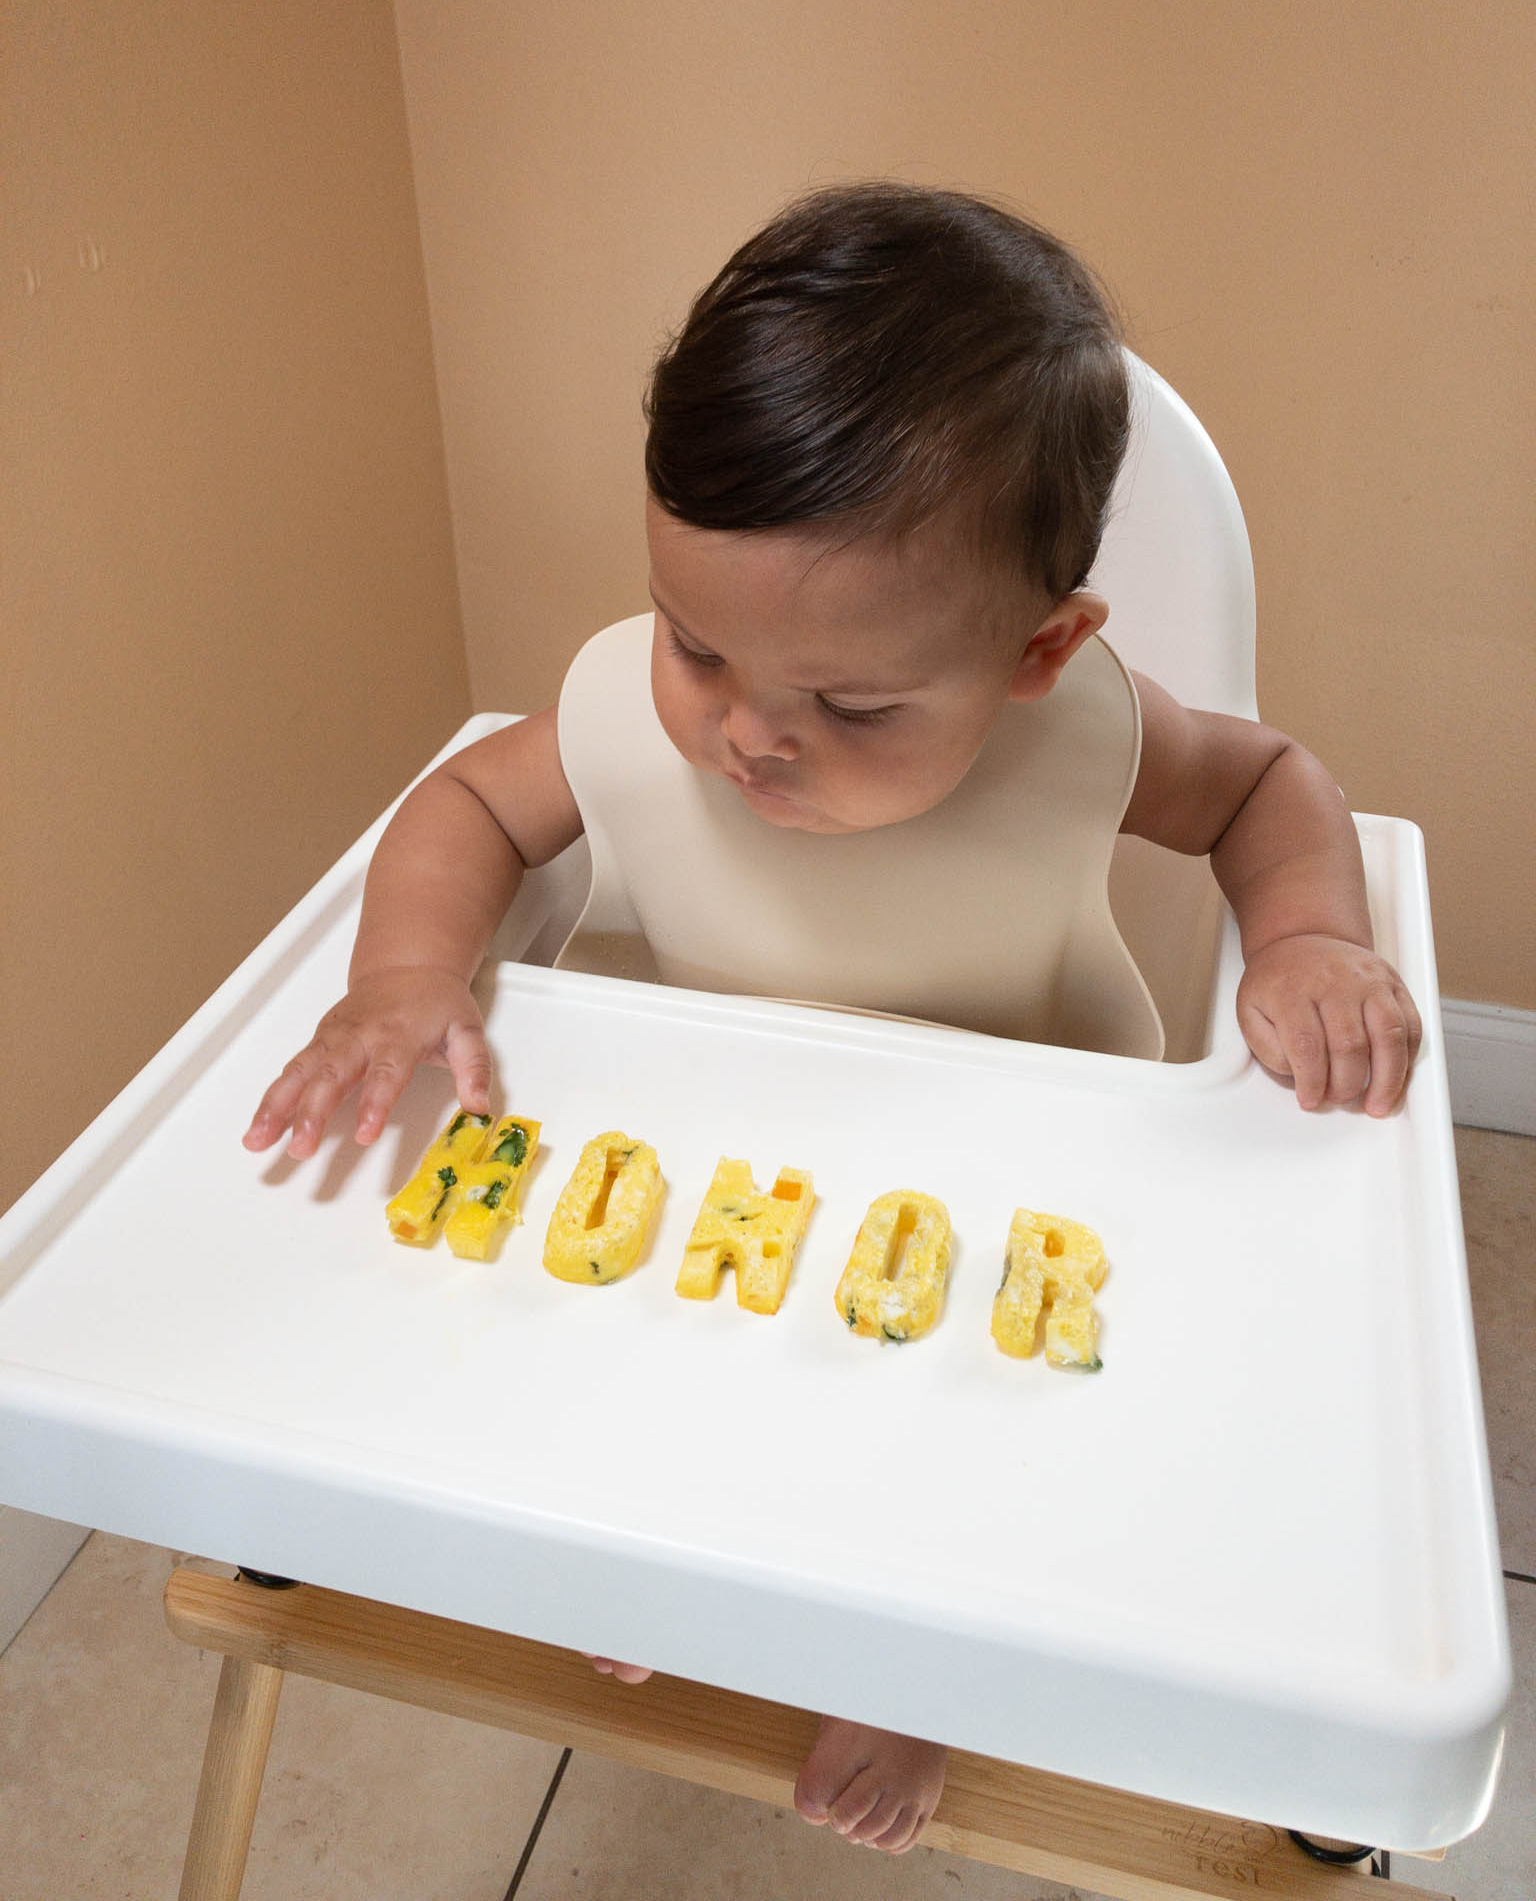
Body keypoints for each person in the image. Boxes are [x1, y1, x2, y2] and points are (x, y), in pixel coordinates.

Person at [244, 183, 1422, 1854]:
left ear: (1041, 648)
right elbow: (466, 815)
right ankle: (670, 1548)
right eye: (697, 645)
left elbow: (1273, 788)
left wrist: (1305, 934)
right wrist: (404, 978)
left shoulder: (1084, 730)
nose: (746, 736)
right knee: (638, 1349)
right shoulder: (621, 716)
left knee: (980, 1428)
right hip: (714, 1141)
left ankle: (904, 1658)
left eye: (853, 703)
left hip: (1003, 1161)